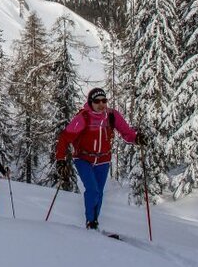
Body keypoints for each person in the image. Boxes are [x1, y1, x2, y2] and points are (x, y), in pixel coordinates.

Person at [54, 87, 147, 230]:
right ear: (90, 102)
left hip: (103, 160)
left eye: (104, 100)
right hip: (83, 158)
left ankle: (94, 222)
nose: (101, 104)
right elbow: (65, 137)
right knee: (92, 190)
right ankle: (90, 222)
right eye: (97, 101)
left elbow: (126, 132)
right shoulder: (83, 117)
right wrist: (60, 159)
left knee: (99, 192)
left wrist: (136, 138)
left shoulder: (111, 116)